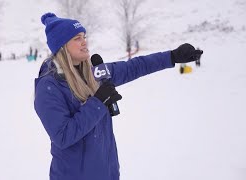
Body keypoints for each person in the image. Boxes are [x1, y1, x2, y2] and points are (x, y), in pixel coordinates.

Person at [34, 12, 203, 180]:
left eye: (84, 36)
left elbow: (134, 67)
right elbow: (63, 136)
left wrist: (171, 57)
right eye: (77, 38)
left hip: (108, 174)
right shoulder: (49, 86)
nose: (85, 42)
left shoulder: (94, 73)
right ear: (62, 46)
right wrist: (98, 102)